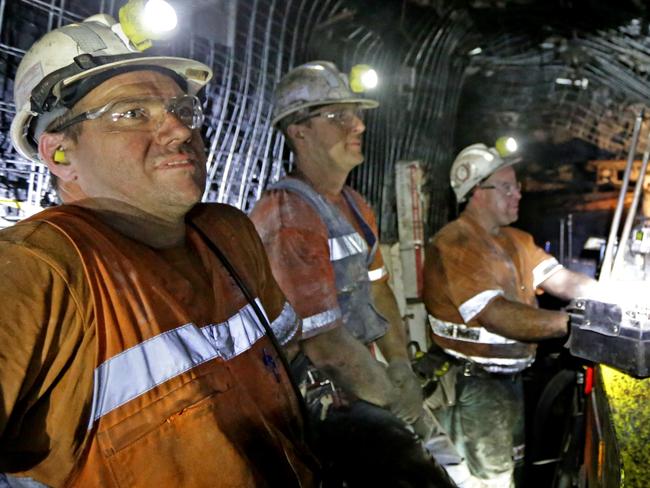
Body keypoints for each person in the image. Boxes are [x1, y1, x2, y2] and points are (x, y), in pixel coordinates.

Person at [0, 14, 316, 487]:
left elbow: (282, 364)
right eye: (132, 113)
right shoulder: (36, 269)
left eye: (183, 110)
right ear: (59, 154)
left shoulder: (228, 234)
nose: (180, 130)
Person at [250, 61, 458, 488]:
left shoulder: (354, 205)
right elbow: (324, 344)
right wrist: (395, 402)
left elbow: (378, 288)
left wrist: (400, 364)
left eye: (355, 113)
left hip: (356, 377)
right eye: (337, 115)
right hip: (312, 396)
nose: (357, 125)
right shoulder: (288, 214)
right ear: (299, 130)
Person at [423, 143, 600, 488]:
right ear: (476, 193)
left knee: (510, 474)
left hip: (508, 383)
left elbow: (561, 281)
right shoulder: (455, 243)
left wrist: (612, 297)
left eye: (516, 186)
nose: (518, 193)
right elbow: (497, 316)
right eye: (507, 186)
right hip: (474, 387)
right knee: (490, 481)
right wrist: (576, 324)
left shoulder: (515, 240)